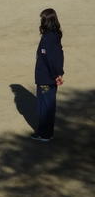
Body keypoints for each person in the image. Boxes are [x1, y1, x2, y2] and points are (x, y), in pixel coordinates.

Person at [33, 8, 64, 141]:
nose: (41, 21)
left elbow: (53, 59)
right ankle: (42, 131)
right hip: (43, 77)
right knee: (42, 105)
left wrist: (57, 74)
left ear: (48, 21)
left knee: (46, 106)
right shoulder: (49, 35)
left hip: (47, 78)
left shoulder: (50, 37)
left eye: (43, 19)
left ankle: (46, 134)